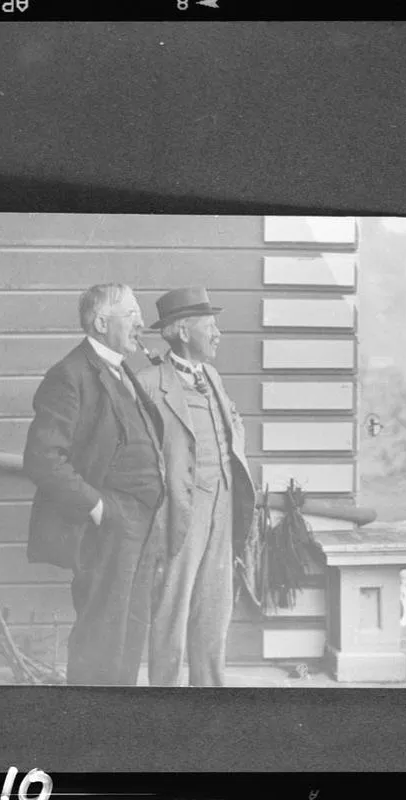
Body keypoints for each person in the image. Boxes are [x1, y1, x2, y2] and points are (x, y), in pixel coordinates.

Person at [22, 283, 166, 685]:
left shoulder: (121, 370)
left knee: (128, 636)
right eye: (132, 314)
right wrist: (100, 509)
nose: (141, 323)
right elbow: (42, 459)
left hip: (141, 526)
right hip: (108, 528)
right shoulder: (70, 375)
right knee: (100, 639)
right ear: (102, 322)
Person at [137, 287, 256, 687]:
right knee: (170, 612)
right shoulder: (150, 383)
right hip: (179, 513)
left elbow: (231, 427)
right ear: (183, 332)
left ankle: (209, 697)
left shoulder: (213, 376)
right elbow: (135, 455)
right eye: (211, 326)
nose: (218, 334)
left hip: (223, 506)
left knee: (213, 613)